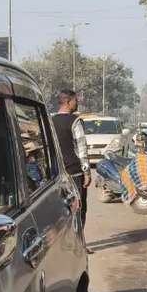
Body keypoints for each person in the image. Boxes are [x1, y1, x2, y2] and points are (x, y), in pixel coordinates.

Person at [52, 89, 91, 239]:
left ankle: (66, 240)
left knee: (63, 208)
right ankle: (78, 241)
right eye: (75, 100)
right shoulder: (75, 120)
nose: (77, 103)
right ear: (68, 102)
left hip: (57, 173)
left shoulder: (51, 121)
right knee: (79, 207)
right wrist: (87, 172)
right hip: (74, 172)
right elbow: (82, 147)